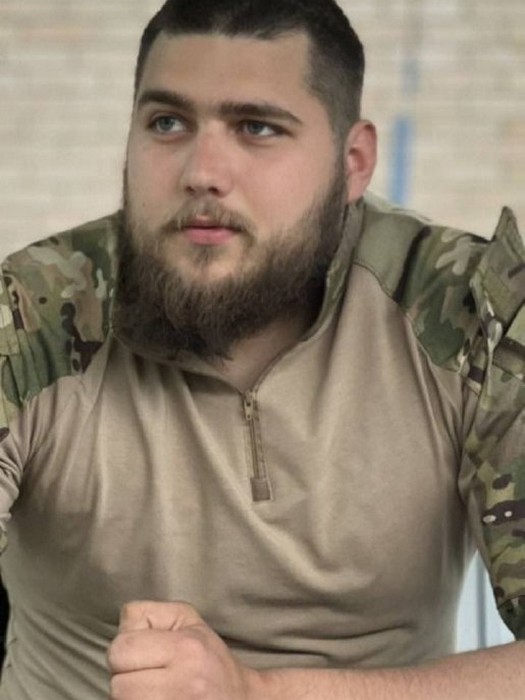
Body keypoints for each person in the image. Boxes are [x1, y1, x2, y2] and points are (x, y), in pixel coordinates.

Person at [0, 0, 524, 697]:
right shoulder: (30, 311)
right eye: (167, 123)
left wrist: (258, 691)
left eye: (256, 128)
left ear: (353, 162)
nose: (202, 172)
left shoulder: (469, 312)